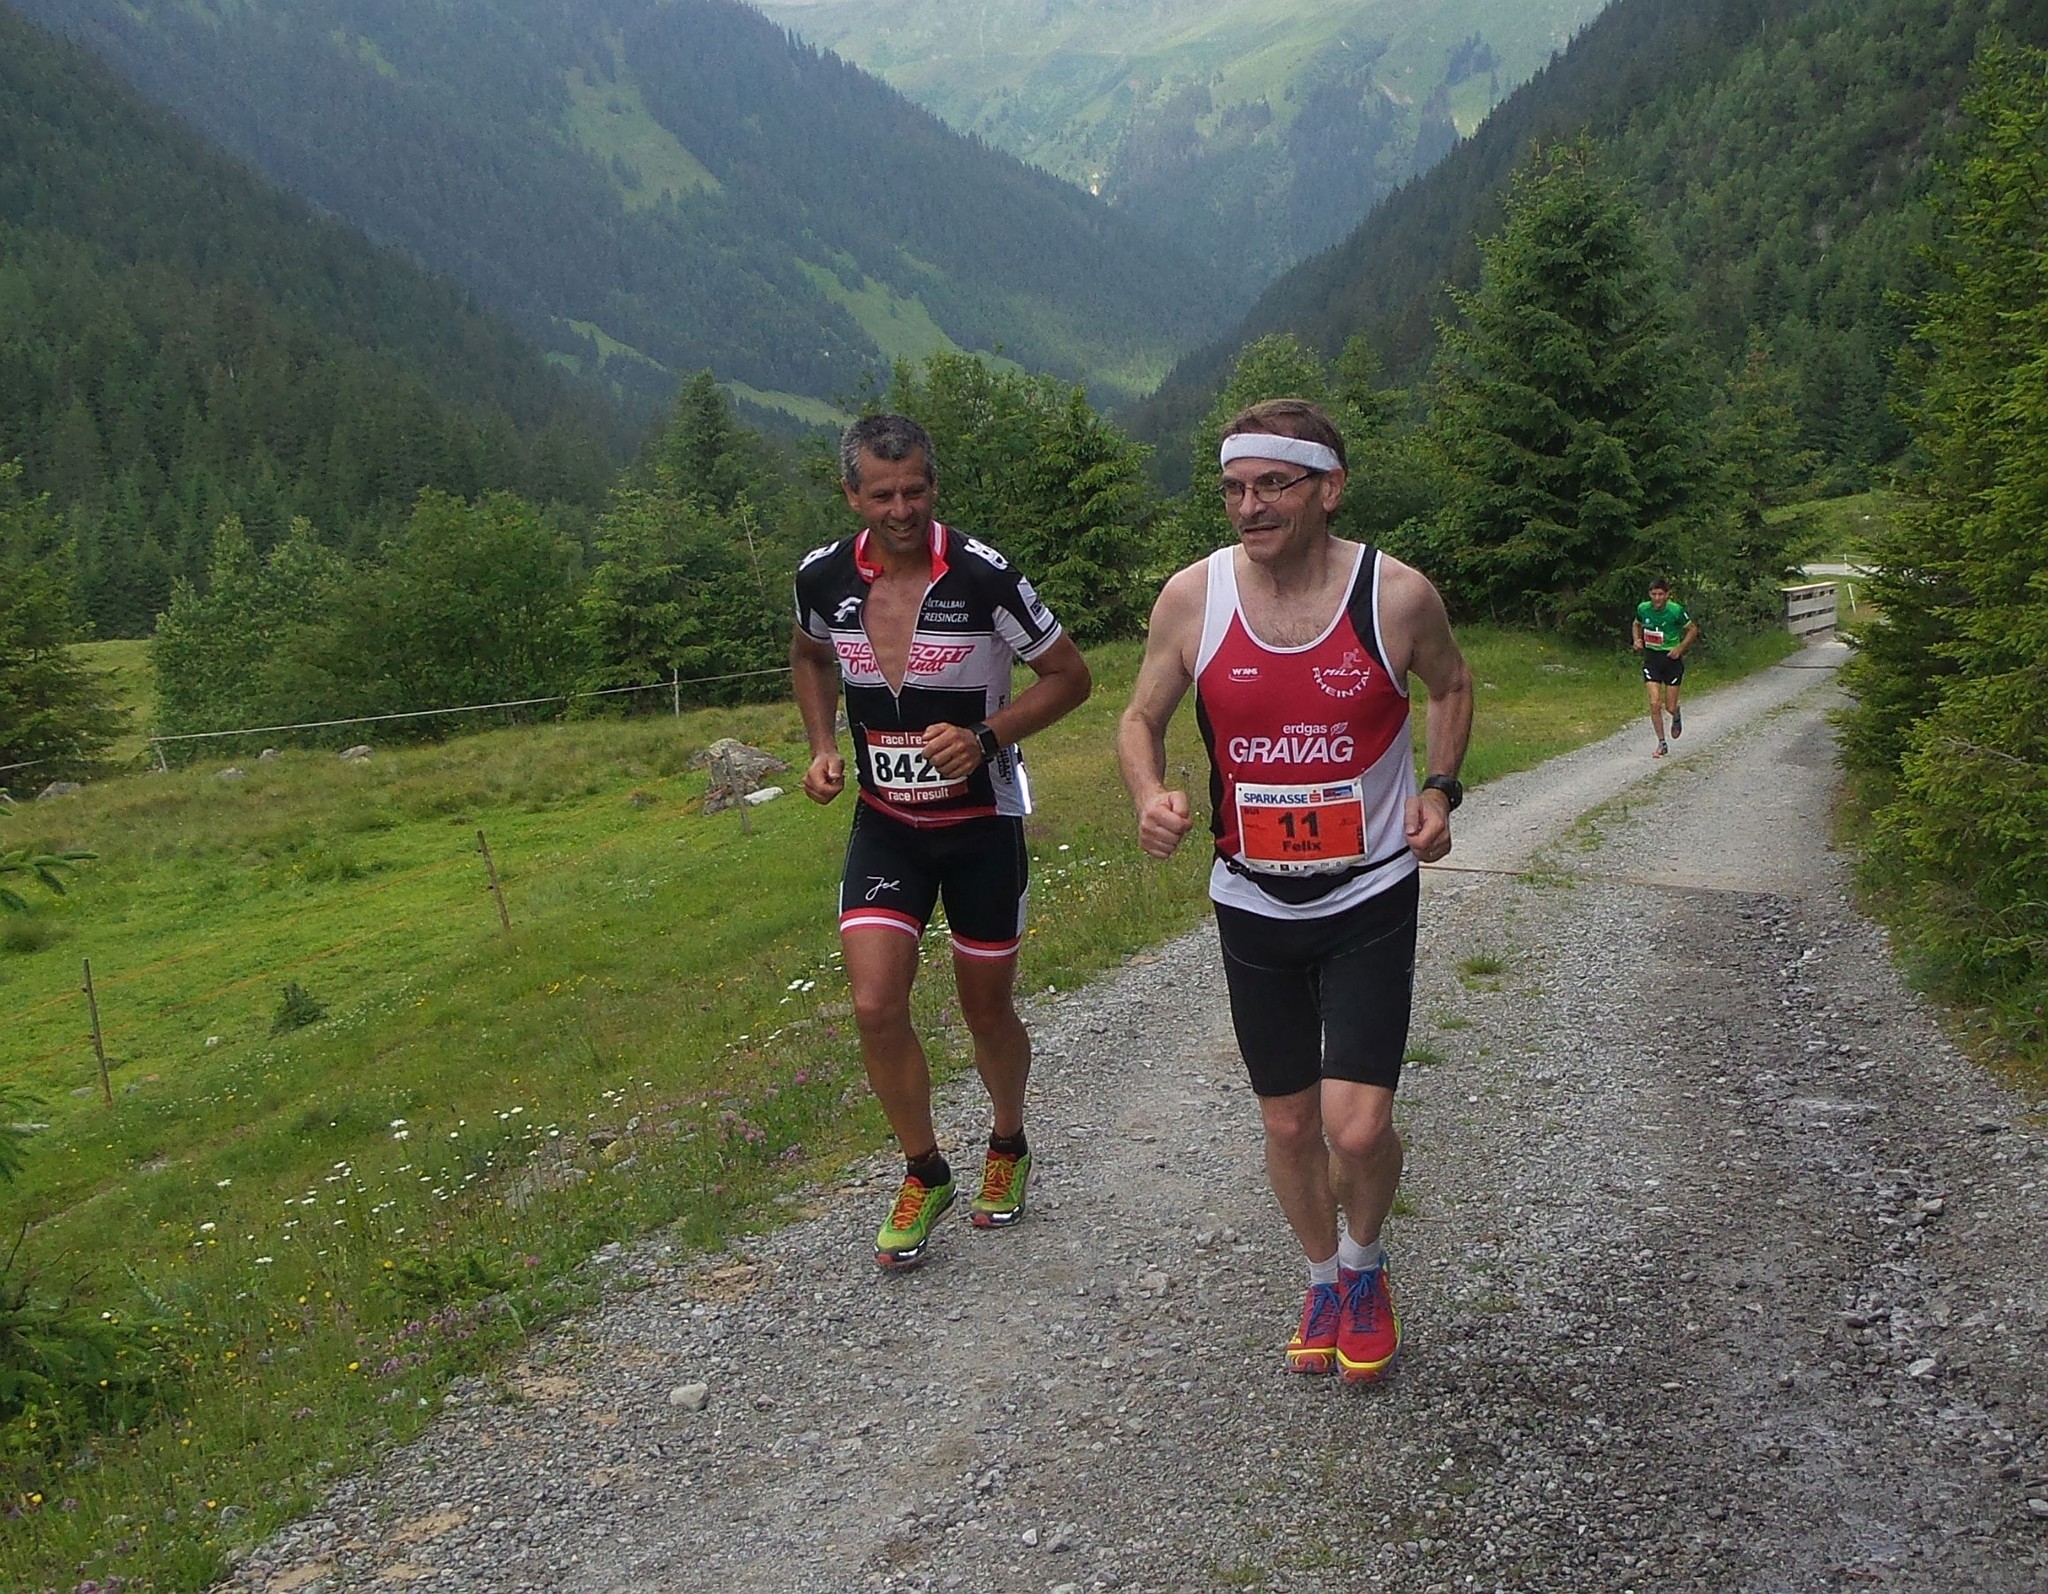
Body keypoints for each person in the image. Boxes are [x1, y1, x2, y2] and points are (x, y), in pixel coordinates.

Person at [1118, 398, 1473, 1382]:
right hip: (1249, 896)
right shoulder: (1191, 599)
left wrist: (1438, 792)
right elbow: (1138, 717)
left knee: (1353, 1127)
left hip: (1367, 892)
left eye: (1271, 485)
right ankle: (1322, 1276)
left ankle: (1365, 1262)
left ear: (1328, 487)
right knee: (1284, 1122)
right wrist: (1150, 793)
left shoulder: (1394, 596)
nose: (1248, 507)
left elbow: (1450, 685)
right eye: (1233, 488)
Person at [791, 414, 1092, 1269]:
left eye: (915, 489)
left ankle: (1007, 1142)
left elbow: (1072, 675)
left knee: (985, 1006)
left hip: (980, 826)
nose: (901, 507)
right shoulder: (821, 577)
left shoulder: (984, 575)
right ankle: (924, 1169)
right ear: (851, 493)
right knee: (875, 1006)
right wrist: (820, 746)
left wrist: (988, 736)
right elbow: (810, 657)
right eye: (882, 493)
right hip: (886, 825)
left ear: (933, 484)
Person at [1632, 578, 1698, 758]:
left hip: (1671, 660)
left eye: (1661, 594)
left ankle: (1676, 714)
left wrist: (1680, 648)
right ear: (1649, 595)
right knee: (1654, 703)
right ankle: (1661, 743)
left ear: (1667, 595)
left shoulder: (1675, 610)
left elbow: (1693, 629)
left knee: (1669, 706)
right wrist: (1637, 640)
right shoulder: (1643, 608)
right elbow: (1636, 624)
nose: (1657, 598)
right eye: (1654, 594)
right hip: (1652, 659)